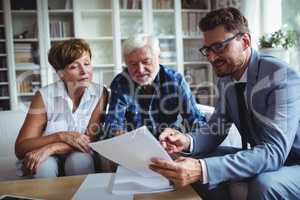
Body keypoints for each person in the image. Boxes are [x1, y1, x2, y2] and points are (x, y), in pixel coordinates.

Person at [150, 7, 300, 199]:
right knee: (193, 158)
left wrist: (202, 169)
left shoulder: (280, 76)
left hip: (293, 160)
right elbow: (217, 128)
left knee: (265, 185)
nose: (211, 57)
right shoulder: (226, 78)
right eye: (207, 49)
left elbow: (274, 152)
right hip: (263, 156)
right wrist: (187, 140)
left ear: (245, 41)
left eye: (219, 47)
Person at [15, 39, 108, 178]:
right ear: (60, 74)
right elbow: (21, 148)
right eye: (74, 67)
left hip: (80, 153)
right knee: (43, 167)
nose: (84, 71)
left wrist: (52, 147)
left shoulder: (101, 93)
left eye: (87, 63)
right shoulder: (44, 96)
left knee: (79, 160)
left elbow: (90, 141)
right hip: (47, 158)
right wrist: (60, 136)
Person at [104, 34, 206, 138]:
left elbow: (196, 121)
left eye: (146, 62)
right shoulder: (120, 82)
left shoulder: (175, 80)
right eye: (133, 64)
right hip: (134, 145)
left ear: (158, 58)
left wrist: (183, 137)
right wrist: (119, 134)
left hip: (169, 144)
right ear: (126, 64)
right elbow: (113, 124)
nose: (140, 70)